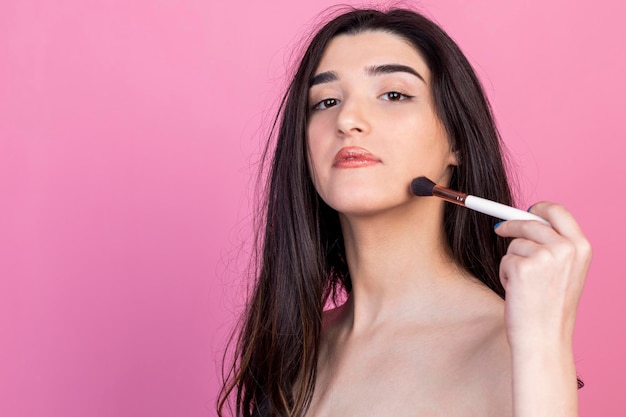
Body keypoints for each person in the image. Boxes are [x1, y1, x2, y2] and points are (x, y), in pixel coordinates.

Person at [218, 7, 591, 417]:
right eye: (325, 101)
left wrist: (543, 344)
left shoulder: (516, 348)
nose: (347, 119)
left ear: (456, 142)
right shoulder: (294, 347)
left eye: (393, 94)